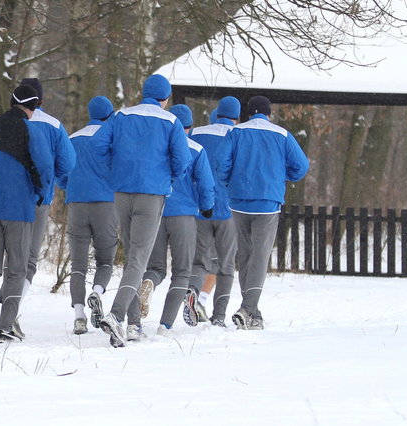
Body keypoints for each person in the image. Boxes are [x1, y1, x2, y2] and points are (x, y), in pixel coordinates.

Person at [90, 74, 191, 347]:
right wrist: (168, 177)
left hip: (122, 192)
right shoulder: (171, 122)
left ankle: (134, 324)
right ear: (166, 98)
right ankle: (117, 314)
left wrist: (114, 170)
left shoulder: (121, 116)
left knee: (132, 257)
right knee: (139, 259)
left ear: (143, 93)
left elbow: (98, 145)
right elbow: (182, 160)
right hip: (152, 193)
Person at [0, 84, 53, 343]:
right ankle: (5, 327)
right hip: (19, 207)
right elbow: (46, 169)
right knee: (17, 268)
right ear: (34, 106)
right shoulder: (31, 130)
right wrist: (40, 193)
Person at [222, 95, 310, 330]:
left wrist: (229, 182)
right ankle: (248, 309)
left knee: (246, 255)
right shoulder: (281, 135)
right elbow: (301, 166)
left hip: (239, 202)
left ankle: (252, 313)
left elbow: (222, 164)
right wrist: (283, 176)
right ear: (269, 113)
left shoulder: (236, 133)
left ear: (248, 113)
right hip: (268, 202)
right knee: (260, 257)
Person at [132, 103, 214, 338]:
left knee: (155, 267)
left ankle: (147, 283)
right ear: (190, 126)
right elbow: (206, 184)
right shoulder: (197, 148)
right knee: (182, 272)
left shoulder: (156, 147)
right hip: (185, 216)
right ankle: (165, 325)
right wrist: (206, 208)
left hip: (156, 212)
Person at [1, 77, 74, 337]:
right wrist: (57, 182)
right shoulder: (54, 125)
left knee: (8, 255)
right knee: (28, 260)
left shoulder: (6, 120)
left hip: (7, 196)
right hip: (38, 198)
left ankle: (2, 293)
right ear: (40, 100)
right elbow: (66, 163)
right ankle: (12, 310)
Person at [62, 96, 118, 335]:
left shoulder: (72, 139)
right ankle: (97, 292)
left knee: (78, 266)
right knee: (106, 261)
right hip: (106, 204)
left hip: (77, 204)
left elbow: (62, 173)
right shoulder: (112, 139)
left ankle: (79, 316)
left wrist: (71, 186)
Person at [187, 97, 241, 326]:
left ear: (217, 114)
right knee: (226, 265)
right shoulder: (240, 136)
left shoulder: (197, 133)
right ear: (237, 117)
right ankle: (218, 316)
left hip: (202, 207)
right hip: (230, 209)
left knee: (199, 261)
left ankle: (193, 293)